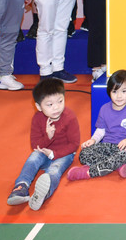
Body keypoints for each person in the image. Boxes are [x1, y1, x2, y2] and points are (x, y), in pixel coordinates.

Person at [6, 78, 79, 211]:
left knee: (55, 170)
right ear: (39, 106)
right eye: (49, 104)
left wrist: (54, 154)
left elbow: (74, 144)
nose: (56, 107)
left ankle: (44, 193)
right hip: (44, 151)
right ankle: (21, 187)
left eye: (60, 101)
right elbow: (35, 144)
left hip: (64, 155)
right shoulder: (37, 119)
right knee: (33, 158)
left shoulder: (70, 117)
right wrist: (48, 137)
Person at [68, 70, 126, 180]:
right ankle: (118, 166)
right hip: (107, 146)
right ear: (109, 92)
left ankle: (88, 172)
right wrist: (93, 140)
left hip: (124, 147)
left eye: (124, 91)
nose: (119, 96)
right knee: (84, 154)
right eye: (114, 91)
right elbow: (100, 131)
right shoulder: (104, 109)